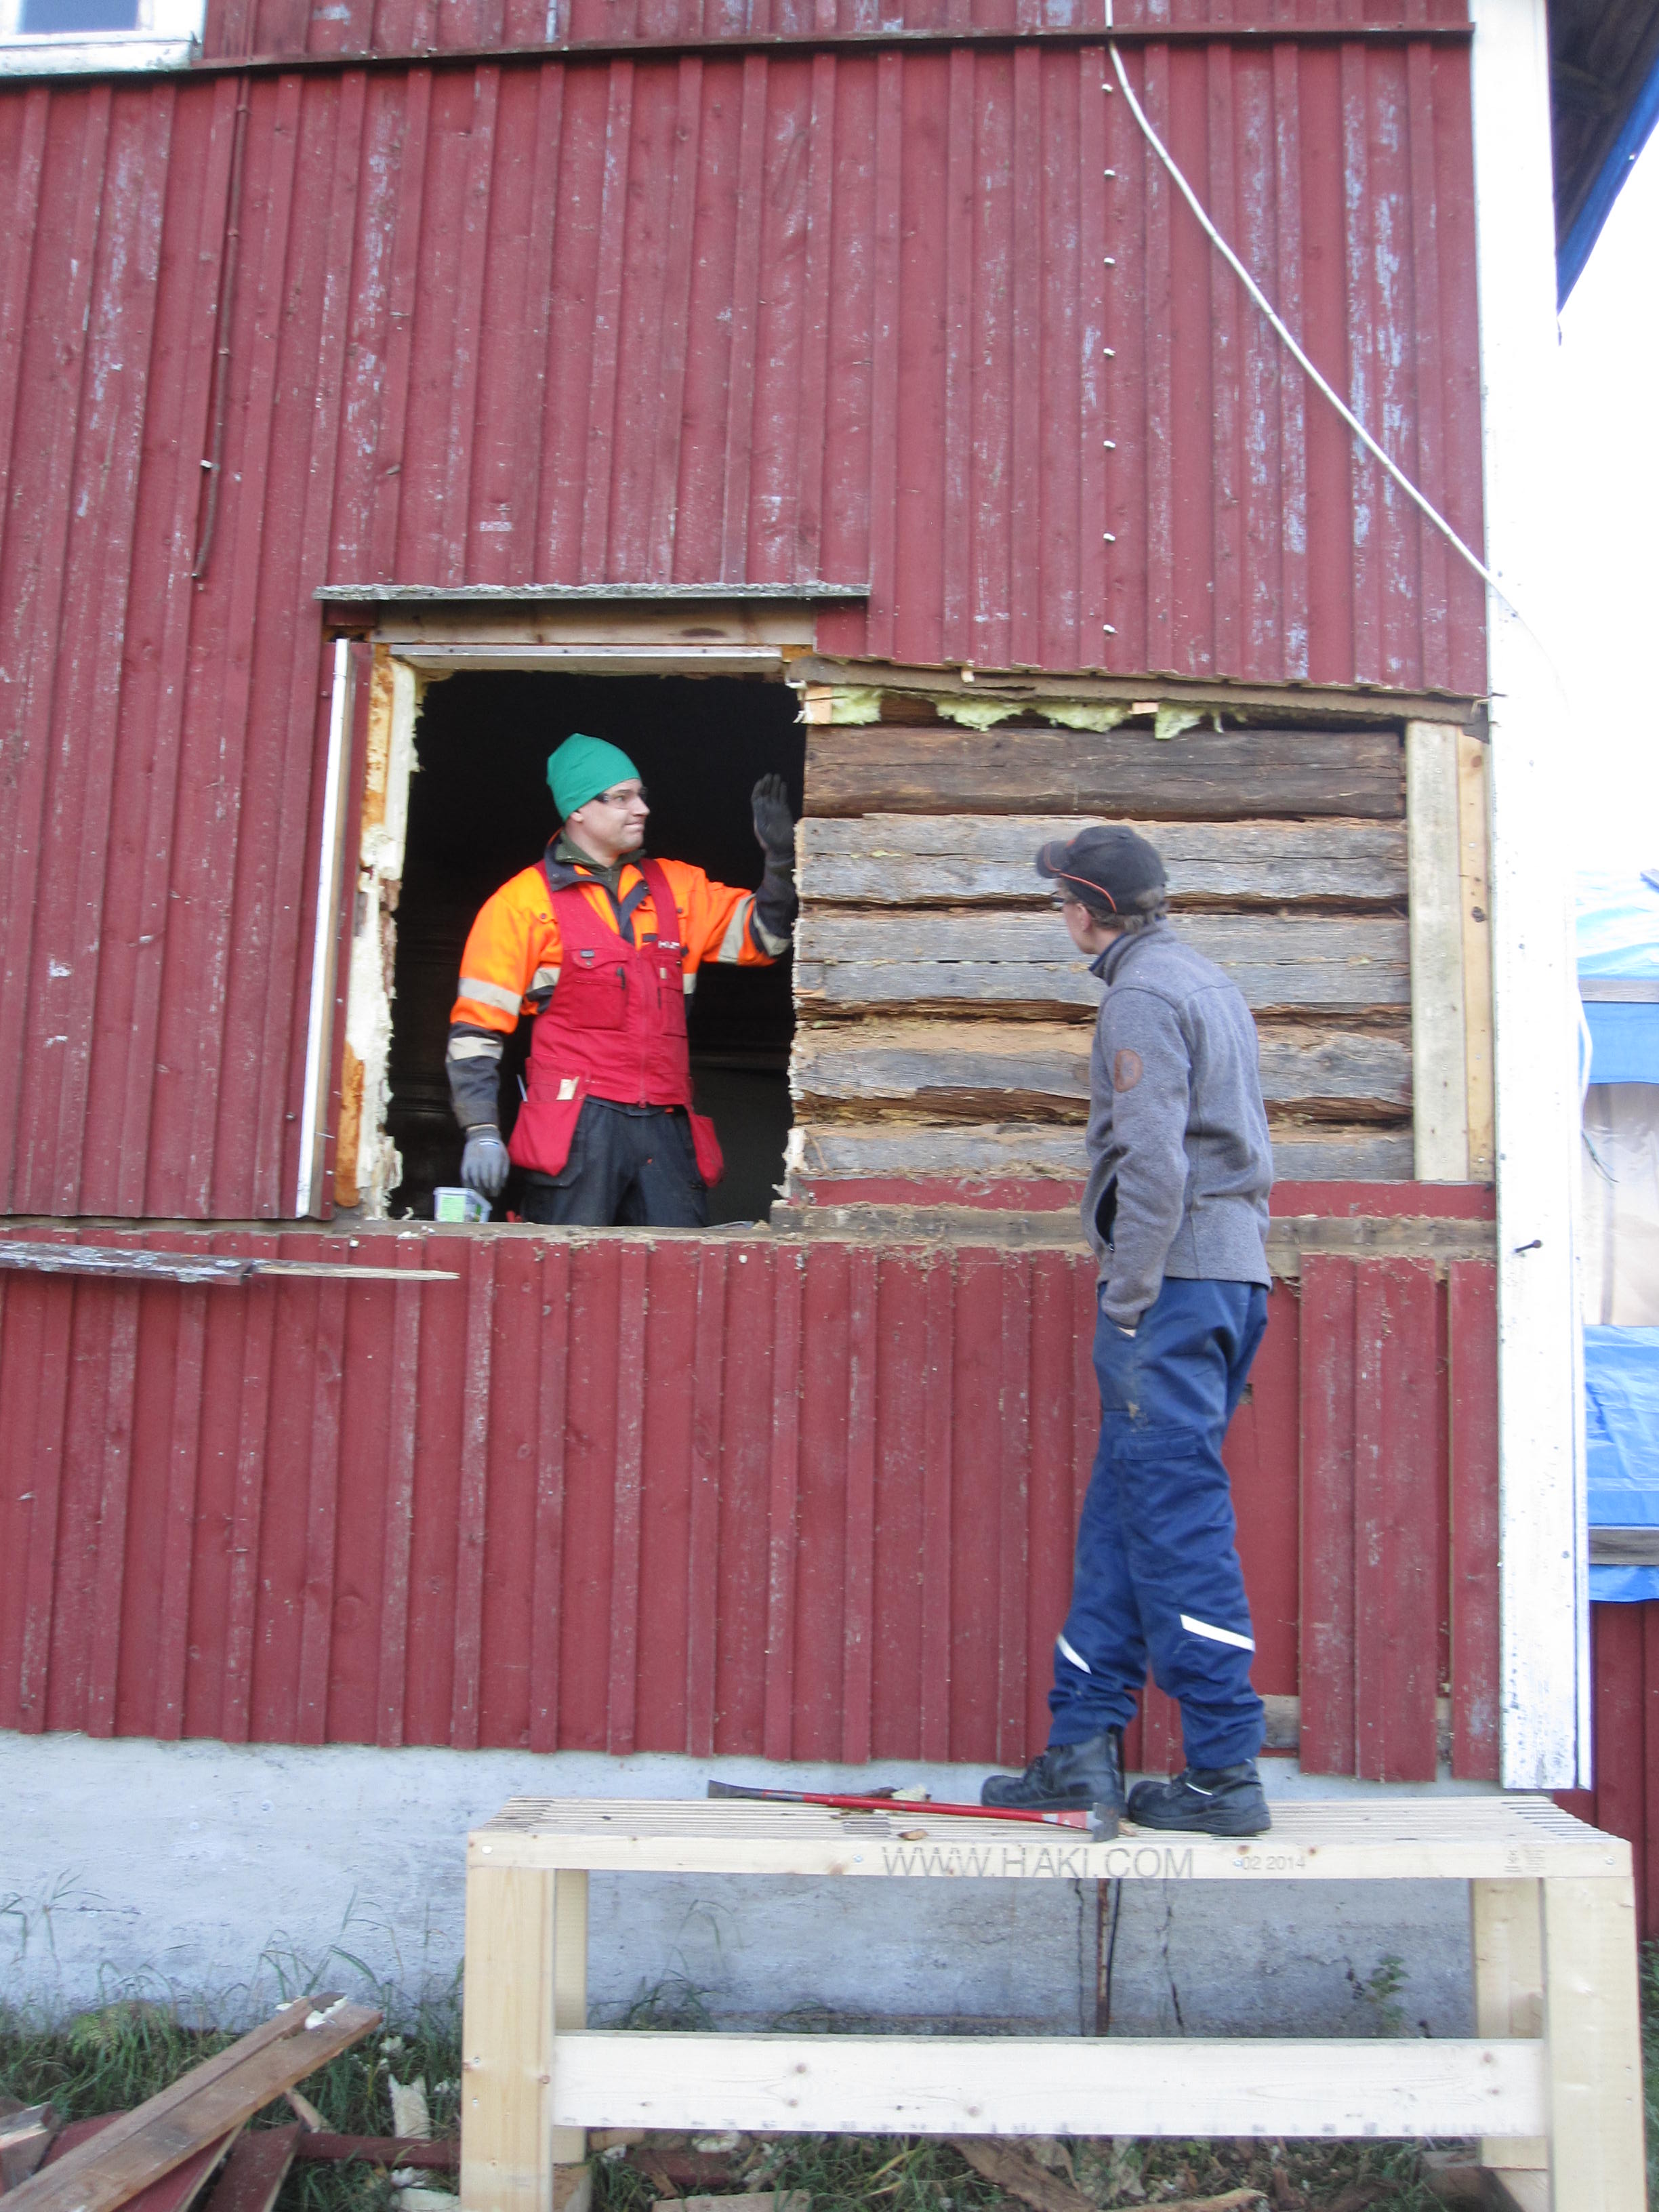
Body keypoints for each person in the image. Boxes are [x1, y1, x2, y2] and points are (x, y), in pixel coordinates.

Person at [979, 826, 1275, 1837]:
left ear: (1086, 909)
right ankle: (1081, 1747)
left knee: (1177, 1523)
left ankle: (1225, 1771)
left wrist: (1129, 1296)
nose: (1059, 915)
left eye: (1061, 900)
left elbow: (1153, 1163)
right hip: (1227, 1280)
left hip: (1173, 1289)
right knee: (1125, 1514)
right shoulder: (1204, 979)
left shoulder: (1140, 997)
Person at [447, 733, 796, 1228]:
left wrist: (780, 863)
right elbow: (476, 1030)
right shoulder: (521, 906)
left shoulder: (679, 889)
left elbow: (767, 939)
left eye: (641, 794)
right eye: (622, 797)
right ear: (578, 811)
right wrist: (480, 1128)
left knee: (679, 1269)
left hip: (666, 1127)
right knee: (566, 1267)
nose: (642, 808)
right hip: (576, 1130)